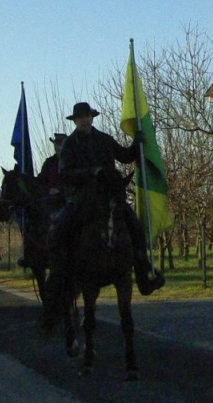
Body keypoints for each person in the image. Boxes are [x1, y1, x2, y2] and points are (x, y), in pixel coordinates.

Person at [53, 102, 164, 295]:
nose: (84, 120)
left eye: (87, 116)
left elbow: (125, 156)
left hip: (109, 196)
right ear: (75, 121)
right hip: (81, 198)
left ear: (91, 117)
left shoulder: (104, 139)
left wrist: (137, 143)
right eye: (80, 117)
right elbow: (64, 175)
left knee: (135, 226)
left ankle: (143, 274)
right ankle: (61, 274)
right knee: (61, 227)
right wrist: (92, 172)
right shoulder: (69, 145)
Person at [37, 133, 66, 214]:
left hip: (67, 200)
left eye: (61, 145)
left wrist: (60, 190)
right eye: (56, 144)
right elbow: (41, 180)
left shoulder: (73, 161)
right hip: (49, 201)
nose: (58, 147)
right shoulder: (49, 162)